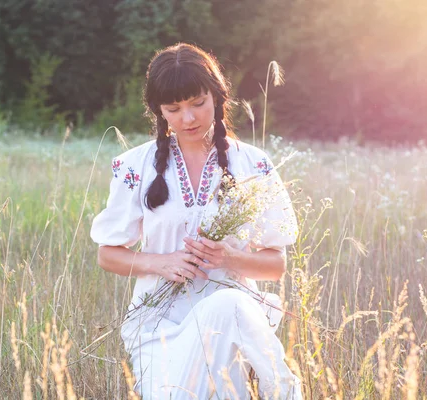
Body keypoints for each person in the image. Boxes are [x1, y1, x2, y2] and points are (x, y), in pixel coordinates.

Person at [90, 43, 302, 399]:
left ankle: (282, 390)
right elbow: (107, 254)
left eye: (198, 104)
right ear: (158, 110)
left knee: (226, 305)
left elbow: (275, 265)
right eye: (174, 109)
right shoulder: (134, 166)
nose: (188, 119)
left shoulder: (253, 165)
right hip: (158, 324)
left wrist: (229, 259)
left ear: (217, 96)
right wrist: (162, 262)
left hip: (232, 324)